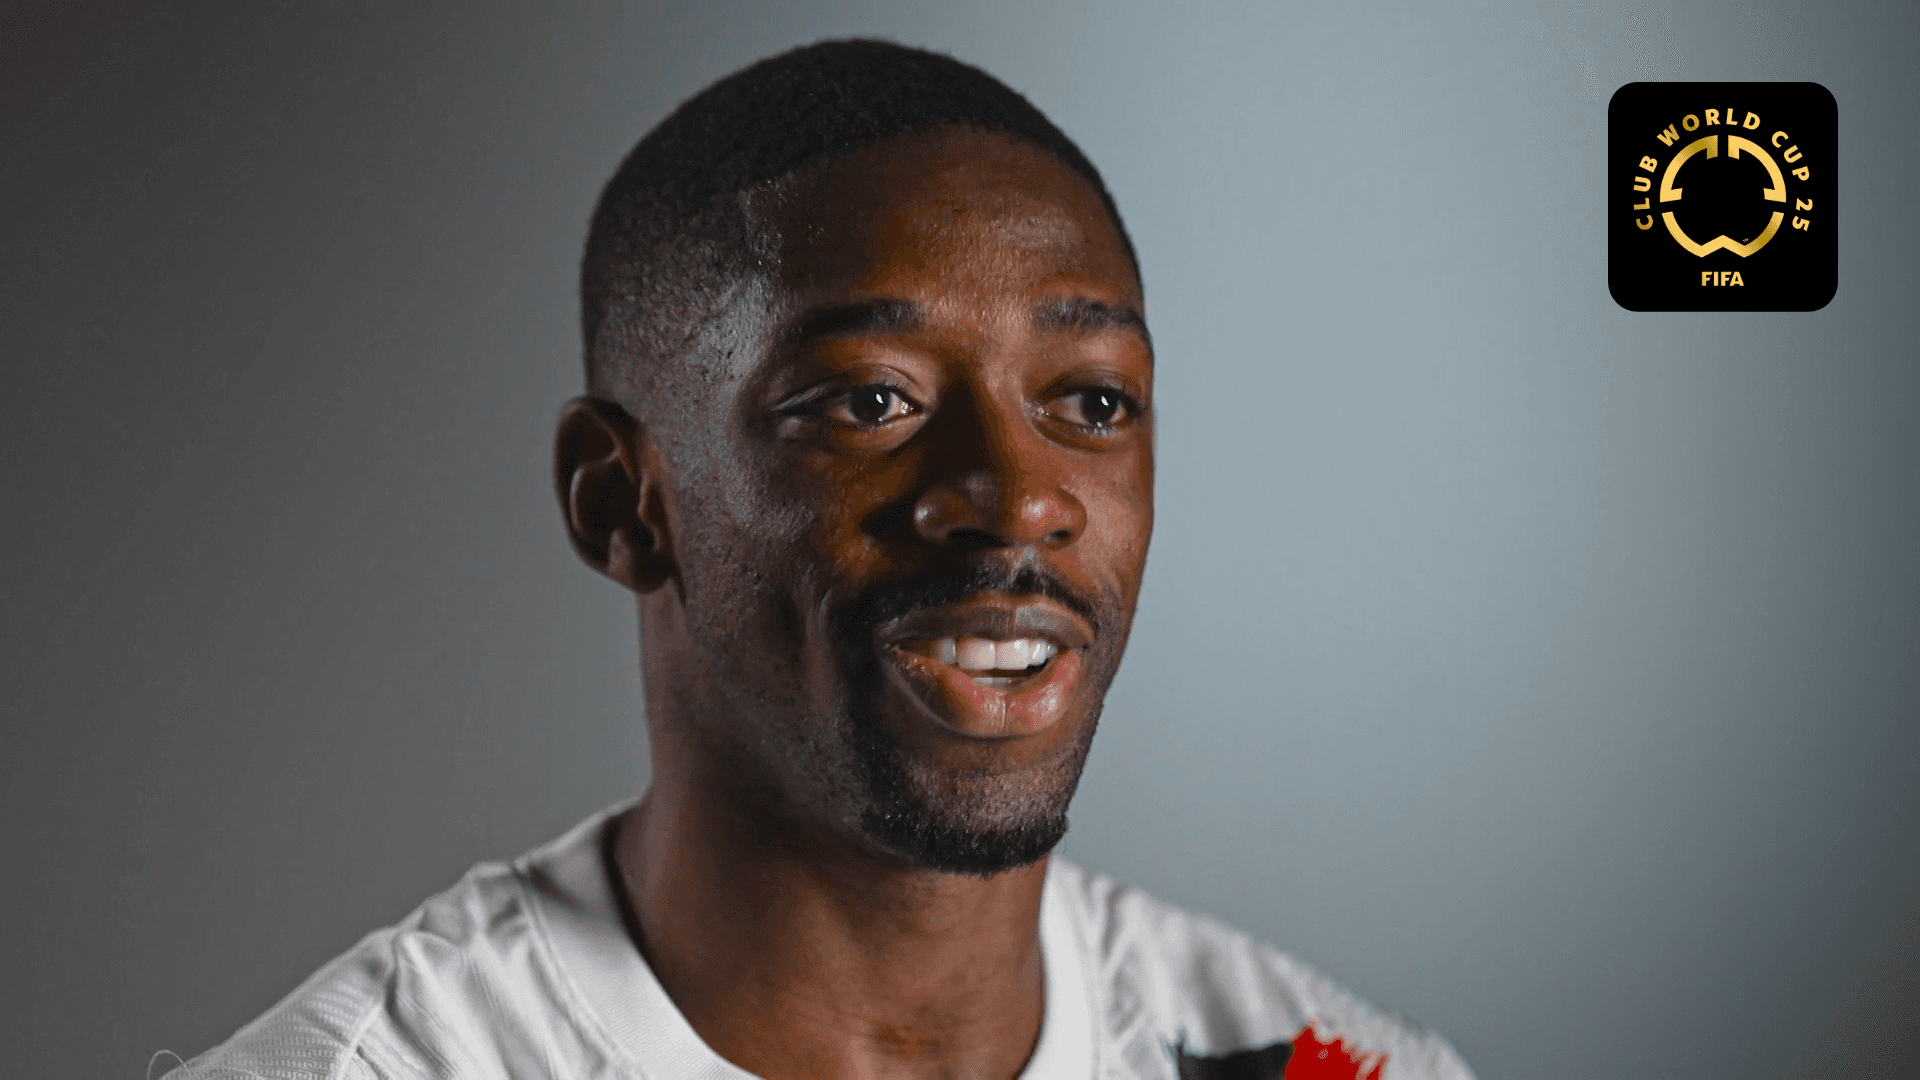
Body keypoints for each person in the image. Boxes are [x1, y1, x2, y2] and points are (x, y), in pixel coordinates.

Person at [164, 40, 1474, 1080]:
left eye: (1091, 402)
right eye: (869, 401)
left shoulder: (1335, 1066)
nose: (1020, 499)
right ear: (620, 501)